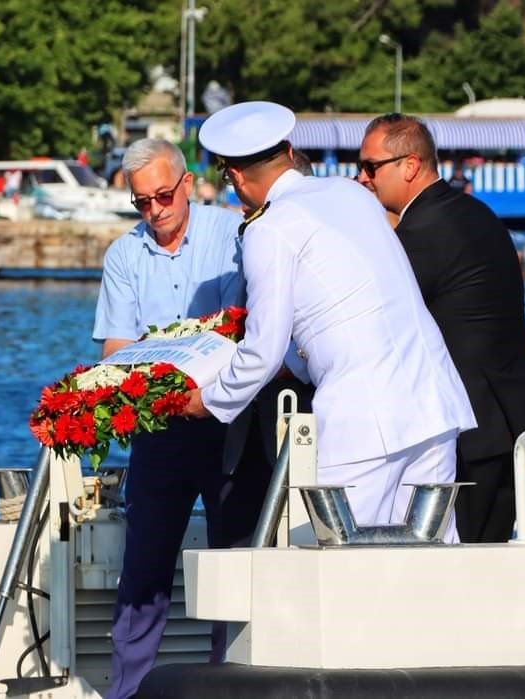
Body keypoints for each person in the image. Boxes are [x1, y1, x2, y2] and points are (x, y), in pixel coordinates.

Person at [182, 101, 477, 533]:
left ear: (236, 176)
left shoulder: (270, 228)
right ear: (286, 150)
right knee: (432, 564)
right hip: (433, 403)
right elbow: (341, 311)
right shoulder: (350, 193)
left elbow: (262, 350)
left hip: (364, 421)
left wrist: (208, 401)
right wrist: (296, 363)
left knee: (344, 567)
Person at [357, 113, 525, 543]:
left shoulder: (425, 230)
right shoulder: (468, 211)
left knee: (466, 559)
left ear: (409, 166)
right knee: (486, 552)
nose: (362, 178)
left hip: (473, 426)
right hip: (508, 411)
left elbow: (372, 316)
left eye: (371, 167)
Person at [93, 138, 268, 699]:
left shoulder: (234, 234)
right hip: (159, 431)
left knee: (231, 571)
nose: (154, 211)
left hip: (229, 424)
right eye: (140, 203)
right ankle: (128, 693)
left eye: (163, 196)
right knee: (143, 573)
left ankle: (231, 689)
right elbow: (115, 351)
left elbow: (248, 326)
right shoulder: (123, 256)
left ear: (188, 183)